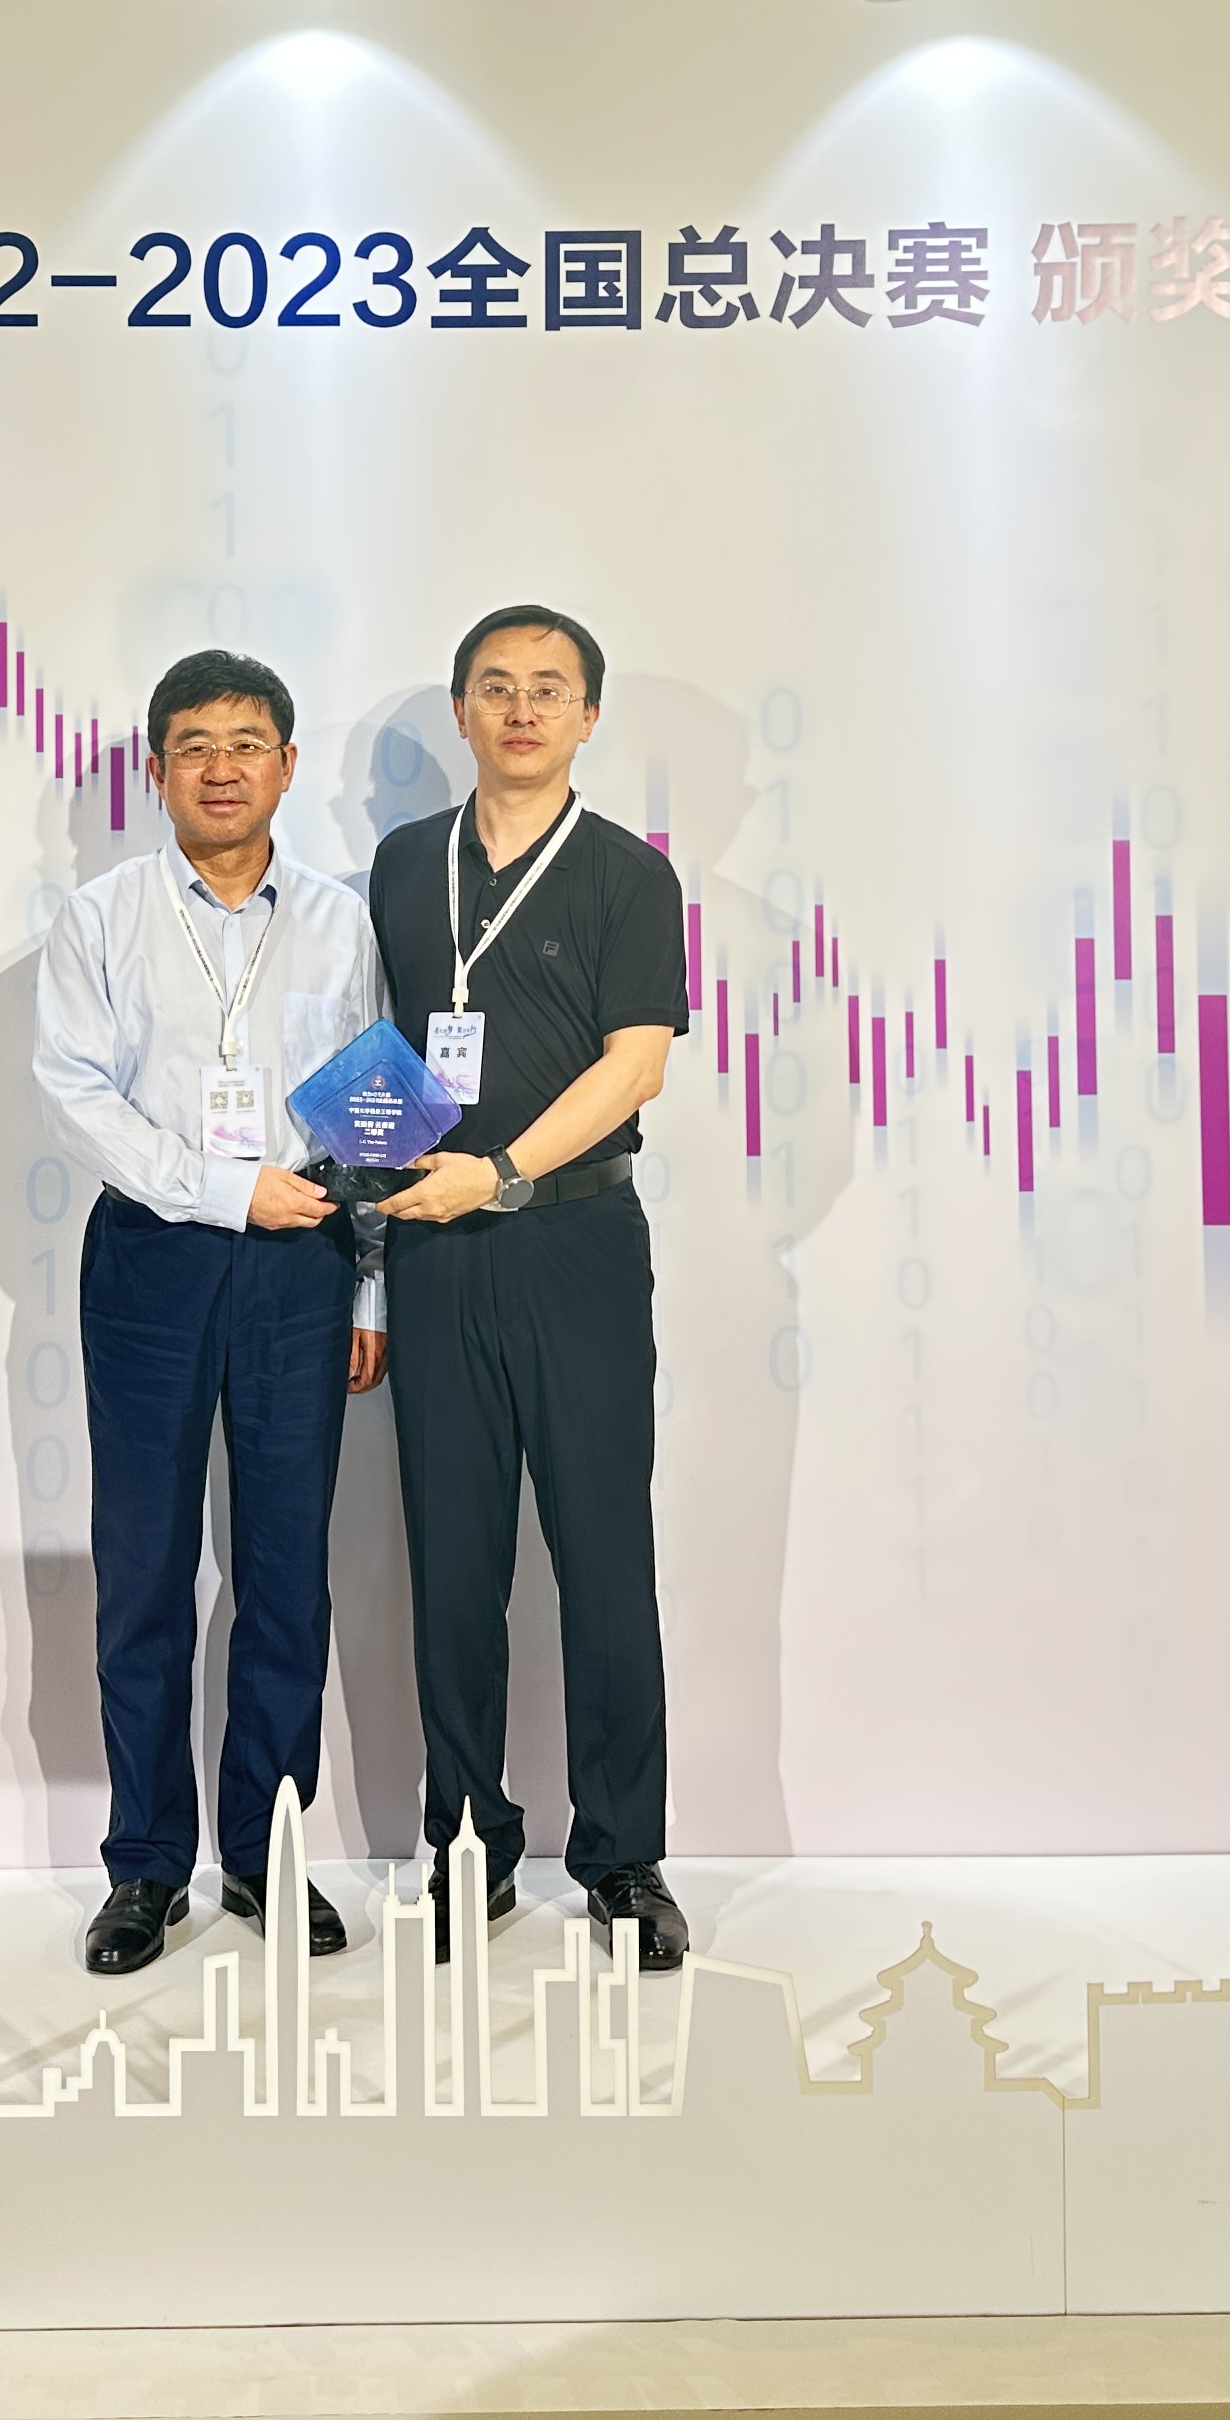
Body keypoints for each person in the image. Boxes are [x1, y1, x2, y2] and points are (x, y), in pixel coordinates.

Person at [32, 650, 392, 1977]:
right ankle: (144, 1866)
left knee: (286, 1573)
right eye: (195, 745)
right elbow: (77, 1095)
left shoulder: (345, 923)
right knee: (144, 1571)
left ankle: (268, 1855)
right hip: (154, 1260)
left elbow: (370, 1114)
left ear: (288, 766)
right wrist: (224, 1189)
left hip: (304, 1263)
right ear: (157, 770)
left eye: (248, 744)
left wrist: (368, 1279)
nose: (222, 768)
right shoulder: (101, 917)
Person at [369, 605, 693, 1969]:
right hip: (433, 1254)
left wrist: (497, 1173)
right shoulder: (403, 864)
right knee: (453, 1559)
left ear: (588, 717)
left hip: (575, 1246)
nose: (520, 708)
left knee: (603, 1555)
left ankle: (623, 1857)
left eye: (549, 689)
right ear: (461, 712)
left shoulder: (629, 876)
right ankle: (467, 1847)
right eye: (495, 686)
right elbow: (384, 1052)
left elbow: (636, 1066)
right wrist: (375, 1260)